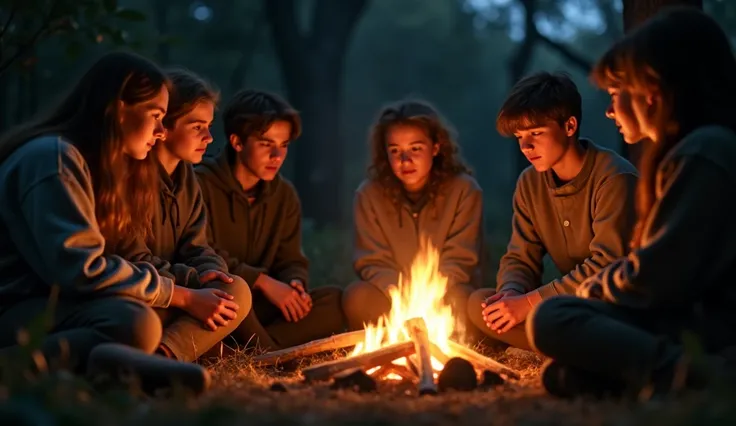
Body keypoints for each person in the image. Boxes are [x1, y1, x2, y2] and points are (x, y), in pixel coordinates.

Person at [528, 7, 736, 399]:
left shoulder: (704, 150)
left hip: (711, 323)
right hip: (684, 315)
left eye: (616, 93)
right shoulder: (685, 151)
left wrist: (589, 290)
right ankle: (653, 370)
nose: (609, 109)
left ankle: (687, 375)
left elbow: (658, 276)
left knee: (553, 316)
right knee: (561, 373)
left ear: (652, 92)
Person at [0, 51, 207, 392]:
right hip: (16, 308)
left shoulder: (104, 169)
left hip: (61, 305)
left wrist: (189, 285)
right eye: (155, 115)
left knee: (143, 314)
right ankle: (14, 366)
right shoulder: (52, 158)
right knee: (135, 322)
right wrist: (180, 296)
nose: (161, 130)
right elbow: (82, 269)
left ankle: (109, 365)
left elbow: (126, 255)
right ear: (118, 107)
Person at [466, 72, 638, 351]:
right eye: (520, 136)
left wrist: (530, 303)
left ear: (569, 126)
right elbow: (520, 258)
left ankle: (561, 349)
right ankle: (556, 348)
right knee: (480, 304)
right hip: (563, 308)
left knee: (549, 317)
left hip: (614, 308)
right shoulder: (530, 183)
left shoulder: (614, 177)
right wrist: (510, 294)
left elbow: (607, 265)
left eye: (535, 133)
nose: (525, 146)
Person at [117, 68, 251, 362]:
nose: (209, 137)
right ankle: (167, 357)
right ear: (164, 126)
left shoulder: (187, 178)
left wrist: (209, 271)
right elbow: (132, 259)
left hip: (182, 290)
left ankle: (168, 353)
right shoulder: (129, 177)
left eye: (209, 126)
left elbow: (197, 244)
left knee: (236, 290)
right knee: (143, 319)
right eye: (197, 127)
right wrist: (194, 283)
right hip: (145, 295)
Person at [196, 89, 345, 351]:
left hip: (263, 308)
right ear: (237, 142)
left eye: (284, 145)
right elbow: (202, 255)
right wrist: (263, 282)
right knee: (235, 297)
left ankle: (246, 347)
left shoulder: (284, 194)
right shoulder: (200, 184)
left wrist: (294, 284)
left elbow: (290, 259)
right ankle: (270, 355)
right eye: (266, 144)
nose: (277, 156)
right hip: (220, 300)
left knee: (336, 301)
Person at [342, 99, 484, 340]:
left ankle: (447, 346)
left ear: (436, 147)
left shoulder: (464, 190)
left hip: (446, 294)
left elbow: (461, 258)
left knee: (464, 303)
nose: (404, 160)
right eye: (395, 150)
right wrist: (403, 297)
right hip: (391, 298)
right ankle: (393, 345)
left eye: (415, 148)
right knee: (356, 297)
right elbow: (372, 261)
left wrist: (428, 294)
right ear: (385, 153)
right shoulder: (369, 194)